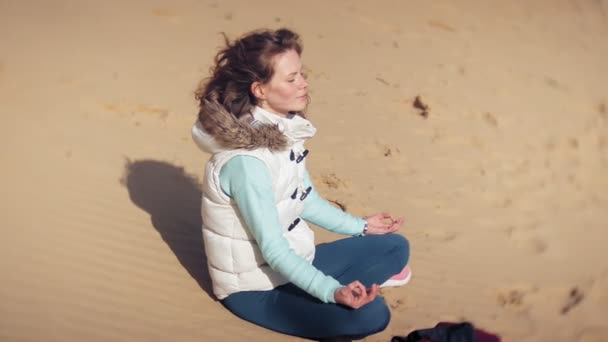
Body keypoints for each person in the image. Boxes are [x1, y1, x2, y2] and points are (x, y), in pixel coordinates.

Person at [191, 28, 411, 341]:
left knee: (395, 246)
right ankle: (335, 296)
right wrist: (332, 292)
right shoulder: (246, 164)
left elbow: (306, 201)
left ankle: (332, 290)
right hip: (257, 288)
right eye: (291, 79)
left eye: (302, 74)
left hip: (295, 261)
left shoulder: (284, 133)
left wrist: (362, 226)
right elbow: (274, 250)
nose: (303, 84)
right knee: (373, 315)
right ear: (260, 90)